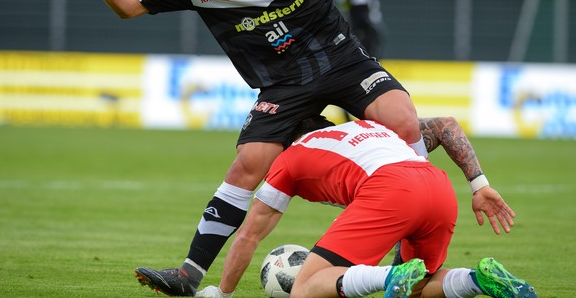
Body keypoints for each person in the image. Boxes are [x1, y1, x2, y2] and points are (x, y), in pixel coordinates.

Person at [60, 0, 498, 296]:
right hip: (283, 85)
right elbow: (127, 5)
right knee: (247, 165)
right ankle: (189, 275)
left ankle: (406, 232)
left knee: (402, 119)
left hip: (341, 58)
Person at [195, 116, 537, 298]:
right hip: (438, 186)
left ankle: (391, 275)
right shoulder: (368, 127)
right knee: (419, 287)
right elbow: (445, 124)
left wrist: (223, 293)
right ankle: (479, 280)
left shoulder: (290, 157)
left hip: (390, 189)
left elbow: (249, 236)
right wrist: (479, 184)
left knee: (304, 288)